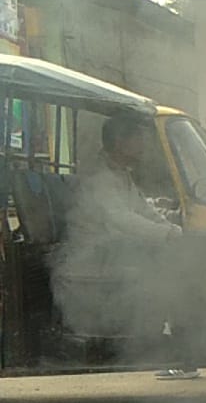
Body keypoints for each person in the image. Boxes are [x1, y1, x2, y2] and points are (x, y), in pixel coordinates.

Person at [57, 117, 195, 379]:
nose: (143, 145)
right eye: (137, 139)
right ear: (120, 143)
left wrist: (175, 230)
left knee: (174, 266)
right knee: (168, 276)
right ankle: (169, 345)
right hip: (93, 256)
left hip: (114, 249)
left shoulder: (121, 175)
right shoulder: (101, 179)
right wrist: (167, 234)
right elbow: (121, 219)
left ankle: (171, 341)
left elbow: (144, 211)